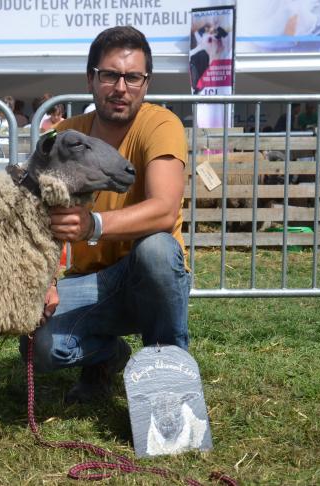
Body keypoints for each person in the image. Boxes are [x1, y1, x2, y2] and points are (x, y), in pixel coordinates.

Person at [20, 26, 191, 404]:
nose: (120, 87)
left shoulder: (162, 124)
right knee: (37, 345)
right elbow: (37, 217)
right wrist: (44, 281)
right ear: (90, 78)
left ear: (146, 82)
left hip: (150, 279)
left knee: (158, 251)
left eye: (133, 77)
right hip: (90, 281)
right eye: (109, 75)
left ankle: (169, 381)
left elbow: (164, 209)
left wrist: (92, 225)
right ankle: (109, 358)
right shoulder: (66, 134)